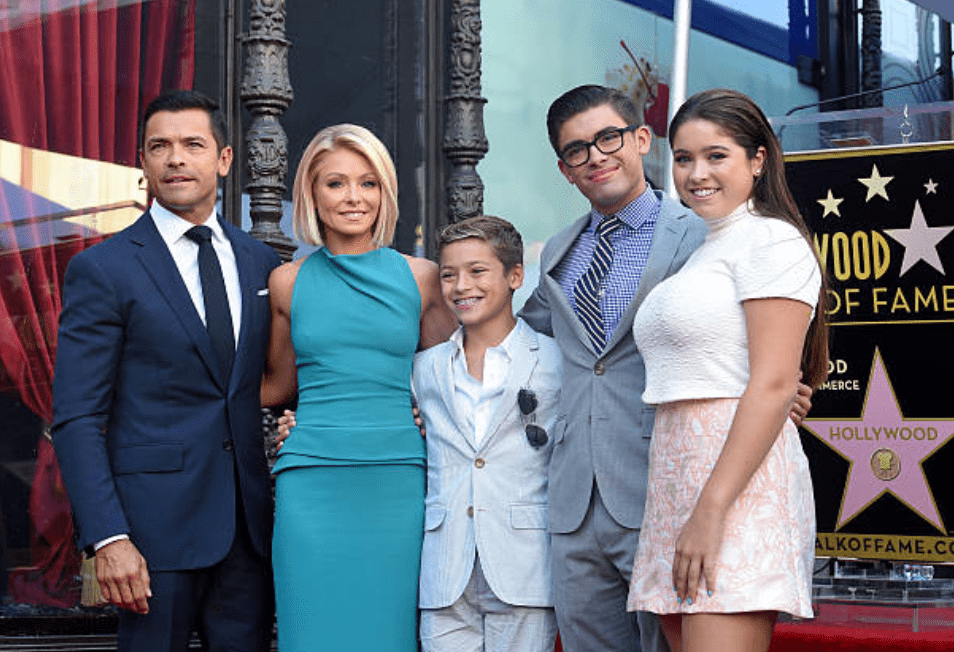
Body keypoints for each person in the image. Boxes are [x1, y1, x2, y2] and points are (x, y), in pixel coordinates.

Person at [517, 84, 812, 652]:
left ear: (639, 140)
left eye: (609, 137)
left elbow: (773, 357)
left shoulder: (709, 227)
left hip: (683, 477)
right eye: (578, 149)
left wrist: (781, 388)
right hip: (590, 494)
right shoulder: (555, 254)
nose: (596, 155)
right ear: (564, 168)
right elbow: (522, 343)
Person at [51, 90, 280, 651]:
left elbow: (264, 387)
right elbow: (78, 418)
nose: (176, 158)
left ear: (223, 160)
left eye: (192, 145)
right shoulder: (103, 269)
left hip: (248, 537)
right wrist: (109, 537)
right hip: (149, 540)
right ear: (144, 161)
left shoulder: (261, 263)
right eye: (161, 147)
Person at [626, 88, 828, 652]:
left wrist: (711, 509)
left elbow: (773, 382)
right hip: (676, 476)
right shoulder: (703, 247)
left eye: (717, 155)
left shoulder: (770, 240)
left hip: (733, 485)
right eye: (684, 158)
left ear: (758, 159)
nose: (696, 173)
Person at [260, 123, 456, 652]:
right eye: (336, 183)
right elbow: (275, 387)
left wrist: (423, 409)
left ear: (385, 192)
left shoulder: (422, 278)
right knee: (312, 635)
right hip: (311, 481)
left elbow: (455, 380)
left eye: (368, 183)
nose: (353, 197)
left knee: (388, 635)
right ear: (311, 193)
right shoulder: (289, 281)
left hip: (397, 481)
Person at [415, 216, 561, 652]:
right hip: (445, 575)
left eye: (477, 271)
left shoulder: (554, 361)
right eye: (449, 274)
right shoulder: (425, 368)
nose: (461, 286)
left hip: (525, 568)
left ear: (515, 276)